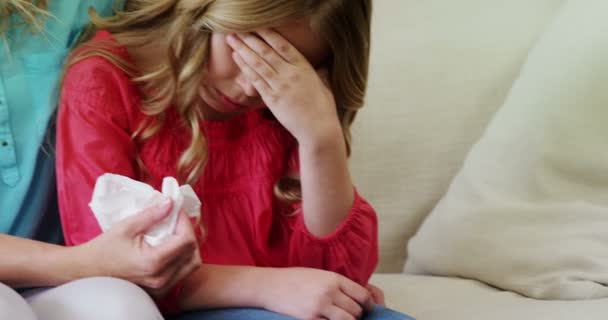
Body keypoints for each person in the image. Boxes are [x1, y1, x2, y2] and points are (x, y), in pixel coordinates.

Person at [56, 0, 413, 319]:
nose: (250, 87)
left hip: (287, 302)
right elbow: (115, 264)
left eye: (280, 70)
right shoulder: (105, 82)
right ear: (205, 13)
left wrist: (320, 137)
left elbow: (342, 273)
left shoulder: (284, 110)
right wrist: (268, 286)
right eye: (249, 52)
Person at [0, 1, 200, 319]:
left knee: (122, 306)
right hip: (65, 265)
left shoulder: (84, 7)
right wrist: (85, 262)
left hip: (53, 275)